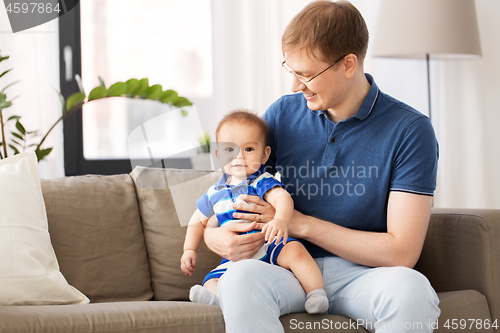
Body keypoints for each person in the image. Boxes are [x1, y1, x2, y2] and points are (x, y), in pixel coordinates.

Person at [203, 1, 441, 332]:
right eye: (291, 70)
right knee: (240, 278)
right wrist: (214, 235)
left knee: (411, 289)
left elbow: (401, 252)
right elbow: (228, 192)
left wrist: (299, 223)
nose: (295, 86)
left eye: (306, 74)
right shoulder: (284, 113)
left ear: (348, 64)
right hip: (284, 267)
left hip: (363, 275)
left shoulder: (410, 130)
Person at [180, 110, 329, 314]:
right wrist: (189, 249)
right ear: (218, 154)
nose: (239, 156)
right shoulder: (214, 192)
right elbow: (197, 220)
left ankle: (316, 294)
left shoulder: (261, 181)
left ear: (265, 154)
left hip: (270, 244)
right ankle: (219, 299)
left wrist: (280, 220)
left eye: (249, 149)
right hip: (236, 257)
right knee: (211, 280)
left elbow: (282, 198)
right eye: (230, 149)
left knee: (296, 252)